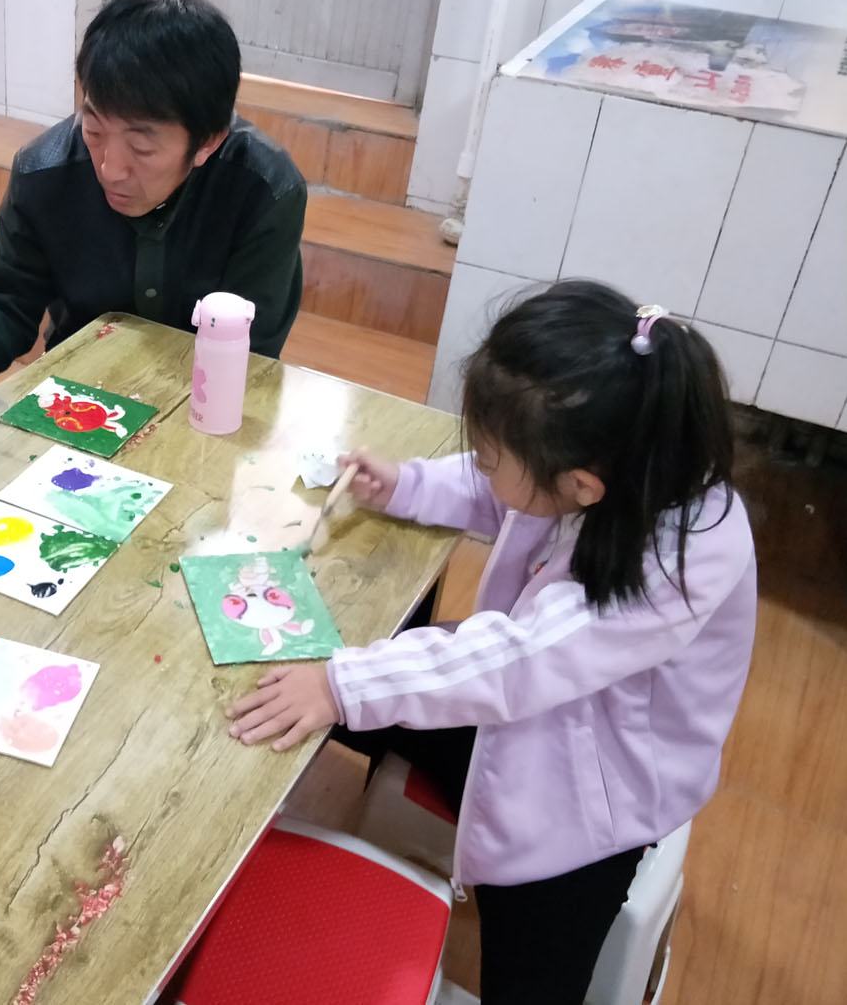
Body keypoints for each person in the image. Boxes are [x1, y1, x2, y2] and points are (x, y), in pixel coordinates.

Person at [224, 281, 756, 1005]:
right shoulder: (612, 459)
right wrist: (405, 485)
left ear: (583, 486)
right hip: (535, 714)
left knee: (533, 971)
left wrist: (339, 685)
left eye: (488, 454)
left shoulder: (682, 559)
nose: (480, 465)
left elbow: (519, 658)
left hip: (594, 805)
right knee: (327, 684)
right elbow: (505, 493)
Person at [0, 0, 306, 392]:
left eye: (141, 147)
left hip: (203, 397)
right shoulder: (44, 172)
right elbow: (8, 295)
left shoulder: (265, 190)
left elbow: (252, 350)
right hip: (77, 392)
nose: (110, 170)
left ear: (207, 142)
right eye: (94, 129)